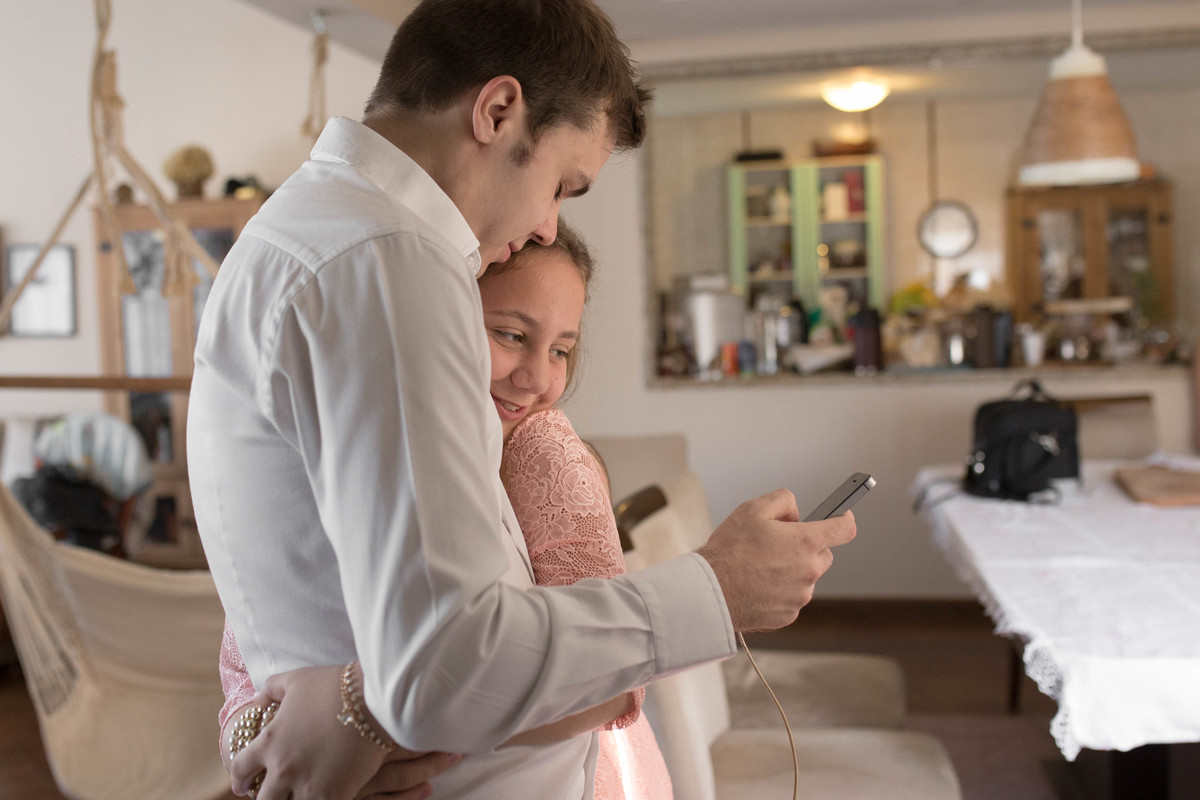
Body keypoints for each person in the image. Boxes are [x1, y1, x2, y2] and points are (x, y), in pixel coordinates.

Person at [187, 1, 856, 798]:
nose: (547, 228)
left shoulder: (301, 233)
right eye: (562, 186)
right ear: (498, 110)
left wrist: (336, 709)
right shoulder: (388, 257)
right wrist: (715, 586)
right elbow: (443, 662)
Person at [220, 223, 673, 799]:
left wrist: (364, 735)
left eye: (560, 350)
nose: (538, 378)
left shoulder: (542, 452)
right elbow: (245, 665)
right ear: (439, 318)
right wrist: (263, 749)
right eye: (510, 335)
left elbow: (612, 679)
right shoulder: (352, 444)